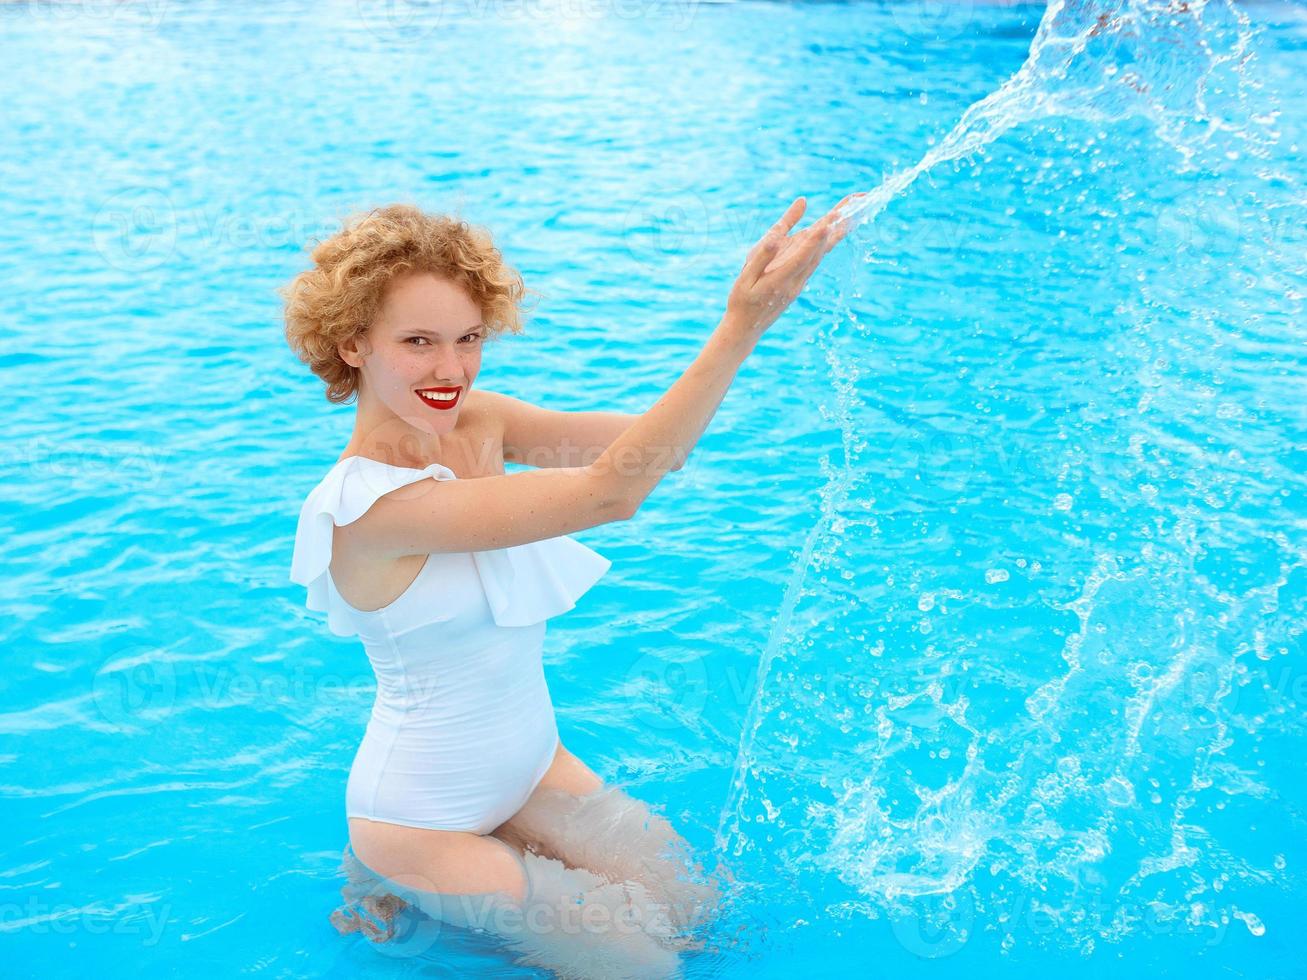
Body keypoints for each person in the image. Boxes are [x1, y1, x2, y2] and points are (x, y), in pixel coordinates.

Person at [282, 192, 861, 977]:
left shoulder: (477, 422)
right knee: (641, 965)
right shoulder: (369, 509)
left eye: (468, 338)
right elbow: (610, 494)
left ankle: (467, 883)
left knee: (696, 915)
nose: (450, 369)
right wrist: (739, 327)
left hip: (530, 769)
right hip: (421, 823)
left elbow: (650, 452)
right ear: (353, 344)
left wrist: (749, 333)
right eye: (417, 341)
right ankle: (389, 879)